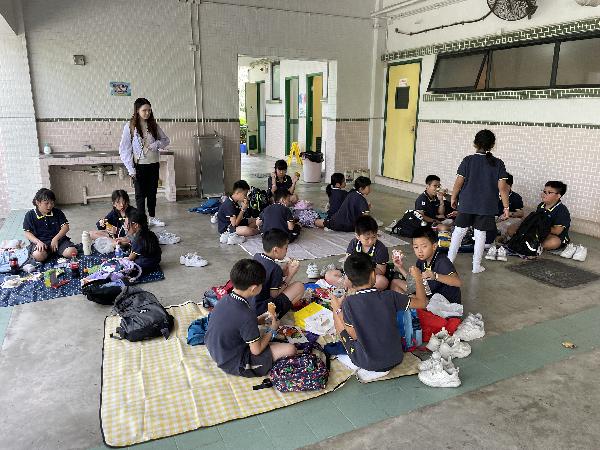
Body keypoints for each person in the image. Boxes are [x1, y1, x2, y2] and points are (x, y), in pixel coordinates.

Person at [329, 252, 428, 381]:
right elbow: (422, 302)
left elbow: (353, 335)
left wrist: (337, 309)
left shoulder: (349, 303)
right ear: (373, 274)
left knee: (338, 315)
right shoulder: (390, 296)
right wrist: (418, 278)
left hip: (368, 363)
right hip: (396, 357)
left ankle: (357, 360)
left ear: (348, 280)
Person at [205, 258, 296, 377]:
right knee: (290, 349)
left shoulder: (225, 298)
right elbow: (256, 350)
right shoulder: (246, 315)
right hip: (235, 363)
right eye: (261, 285)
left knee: (267, 338)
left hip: (218, 351)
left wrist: (258, 320)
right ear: (254, 289)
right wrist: (272, 330)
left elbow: (236, 322)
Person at [447, 130, 510, 273]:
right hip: (486, 206)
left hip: (467, 203)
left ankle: (449, 263)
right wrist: (506, 207)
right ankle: (476, 266)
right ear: (492, 145)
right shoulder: (498, 163)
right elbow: (503, 188)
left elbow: (458, 182)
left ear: (475, 143)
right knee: (480, 234)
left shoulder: (468, 160)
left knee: (458, 232)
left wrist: (453, 197)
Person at [119, 97, 170, 228]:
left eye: (149, 110)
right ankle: (142, 221)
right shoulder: (130, 126)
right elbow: (124, 149)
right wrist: (131, 169)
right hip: (139, 166)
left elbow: (165, 140)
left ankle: (152, 217)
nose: (147, 113)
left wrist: (155, 145)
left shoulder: (154, 125)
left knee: (152, 193)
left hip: (153, 164)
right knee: (140, 195)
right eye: (144, 110)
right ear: (137, 110)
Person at [391, 227, 462, 304]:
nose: (419, 251)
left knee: (405, 298)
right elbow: (414, 283)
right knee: (395, 283)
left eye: (424, 246)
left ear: (434, 246)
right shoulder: (421, 261)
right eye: (416, 247)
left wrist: (435, 276)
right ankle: (412, 305)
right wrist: (400, 267)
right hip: (429, 295)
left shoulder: (442, 261)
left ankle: (413, 306)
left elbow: (458, 282)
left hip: (445, 304)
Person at [252, 230, 305, 318]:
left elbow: (267, 275)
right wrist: (290, 275)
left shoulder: (257, 256)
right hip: (262, 310)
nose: (286, 251)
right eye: (286, 248)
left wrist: (283, 272)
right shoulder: (275, 268)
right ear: (275, 250)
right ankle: (275, 316)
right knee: (299, 286)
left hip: (251, 305)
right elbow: (274, 295)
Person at [507, 181, 570, 250]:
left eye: (549, 192)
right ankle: (529, 244)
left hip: (551, 235)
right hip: (538, 231)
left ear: (558, 196)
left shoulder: (562, 210)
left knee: (553, 242)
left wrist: (537, 226)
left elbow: (557, 231)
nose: (544, 194)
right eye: (544, 191)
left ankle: (529, 244)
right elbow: (536, 219)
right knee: (511, 229)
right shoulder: (541, 205)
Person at [23, 188, 77, 263]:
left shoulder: (57, 212)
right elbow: (27, 233)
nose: (50, 206)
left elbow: (66, 227)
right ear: (38, 202)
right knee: (38, 255)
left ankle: (55, 252)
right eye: (46, 203)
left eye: (52, 203)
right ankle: (50, 253)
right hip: (41, 242)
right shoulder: (30, 215)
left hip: (59, 241)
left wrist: (55, 239)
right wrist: (38, 242)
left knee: (72, 252)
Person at [345, 215, 389, 290]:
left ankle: (355, 290)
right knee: (330, 275)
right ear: (357, 236)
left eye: (374, 237)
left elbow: (381, 271)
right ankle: (361, 290)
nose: (371, 241)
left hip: (370, 277)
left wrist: (364, 271)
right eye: (367, 238)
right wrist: (347, 278)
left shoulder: (381, 249)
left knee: (382, 281)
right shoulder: (354, 243)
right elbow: (348, 263)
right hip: (355, 275)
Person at [217, 180, 259, 244]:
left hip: (236, 224)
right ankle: (258, 231)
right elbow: (234, 224)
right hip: (228, 229)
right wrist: (243, 209)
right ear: (237, 193)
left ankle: (242, 231)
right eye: (245, 194)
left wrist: (244, 208)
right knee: (248, 230)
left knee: (256, 220)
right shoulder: (229, 204)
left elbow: (241, 217)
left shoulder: (234, 202)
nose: (246, 197)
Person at [494, 173, 524, 240]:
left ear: (510, 186)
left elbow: (521, 213)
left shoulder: (515, 197)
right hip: (492, 217)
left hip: (505, 219)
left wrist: (510, 213)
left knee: (518, 221)